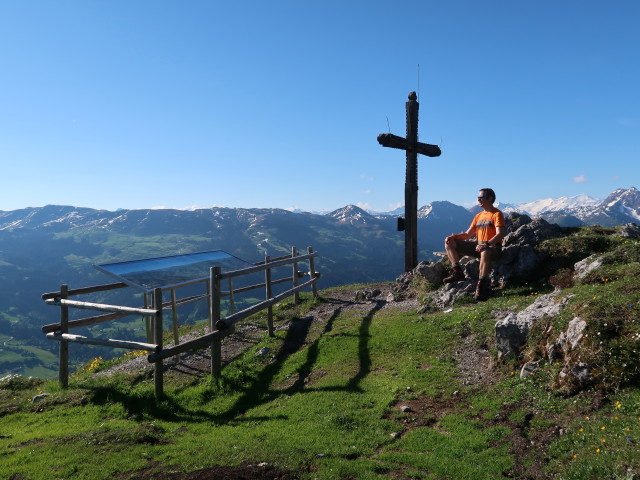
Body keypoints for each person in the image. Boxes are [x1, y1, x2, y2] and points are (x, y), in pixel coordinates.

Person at [443, 188, 505, 301]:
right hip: (478, 246)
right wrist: (454, 237)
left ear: (490, 199)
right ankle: (457, 273)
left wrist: (487, 244)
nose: (478, 200)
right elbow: (467, 234)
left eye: (481, 198)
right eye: (478, 198)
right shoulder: (478, 216)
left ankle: (481, 286)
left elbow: (500, 234)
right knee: (449, 243)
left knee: (485, 250)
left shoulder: (497, 214)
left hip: (493, 248)